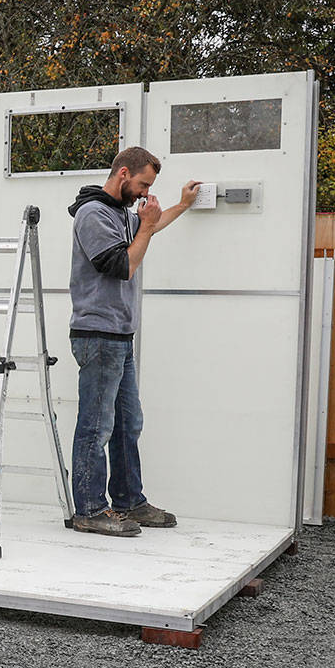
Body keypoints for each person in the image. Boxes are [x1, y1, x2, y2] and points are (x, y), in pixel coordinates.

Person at [65, 147, 201, 537]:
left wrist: (180, 206)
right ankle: (89, 509)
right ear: (123, 173)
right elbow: (122, 266)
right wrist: (144, 225)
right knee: (97, 425)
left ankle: (129, 501)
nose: (144, 194)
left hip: (119, 337)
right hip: (98, 335)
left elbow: (149, 230)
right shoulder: (93, 214)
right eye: (142, 184)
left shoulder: (123, 214)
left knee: (127, 423)